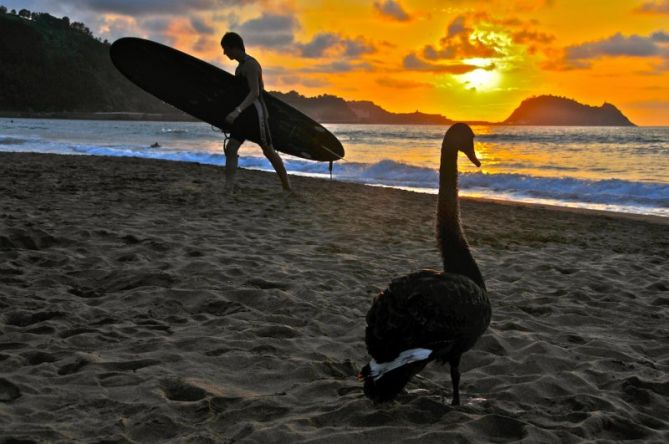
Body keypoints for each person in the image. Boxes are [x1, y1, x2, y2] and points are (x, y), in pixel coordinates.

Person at [220, 32, 291, 191]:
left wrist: (236, 111)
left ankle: (287, 186)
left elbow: (255, 92)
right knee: (231, 149)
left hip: (256, 115)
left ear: (234, 47)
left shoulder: (251, 65)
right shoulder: (239, 67)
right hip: (243, 115)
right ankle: (228, 186)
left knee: (269, 151)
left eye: (226, 49)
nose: (224, 53)